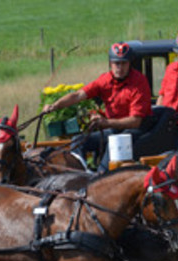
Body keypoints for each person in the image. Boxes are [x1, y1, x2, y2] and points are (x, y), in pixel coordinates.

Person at [42, 42, 152, 173]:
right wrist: (55, 106)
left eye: (124, 63)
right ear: (111, 63)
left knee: (108, 158)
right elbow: (78, 95)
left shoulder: (139, 82)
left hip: (134, 132)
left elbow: (135, 121)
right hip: (114, 130)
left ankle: (100, 175)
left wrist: (105, 123)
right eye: (117, 63)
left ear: (129, 64)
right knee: (79, 141)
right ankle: (80, 172)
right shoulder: (105, 80)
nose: (120, 68)